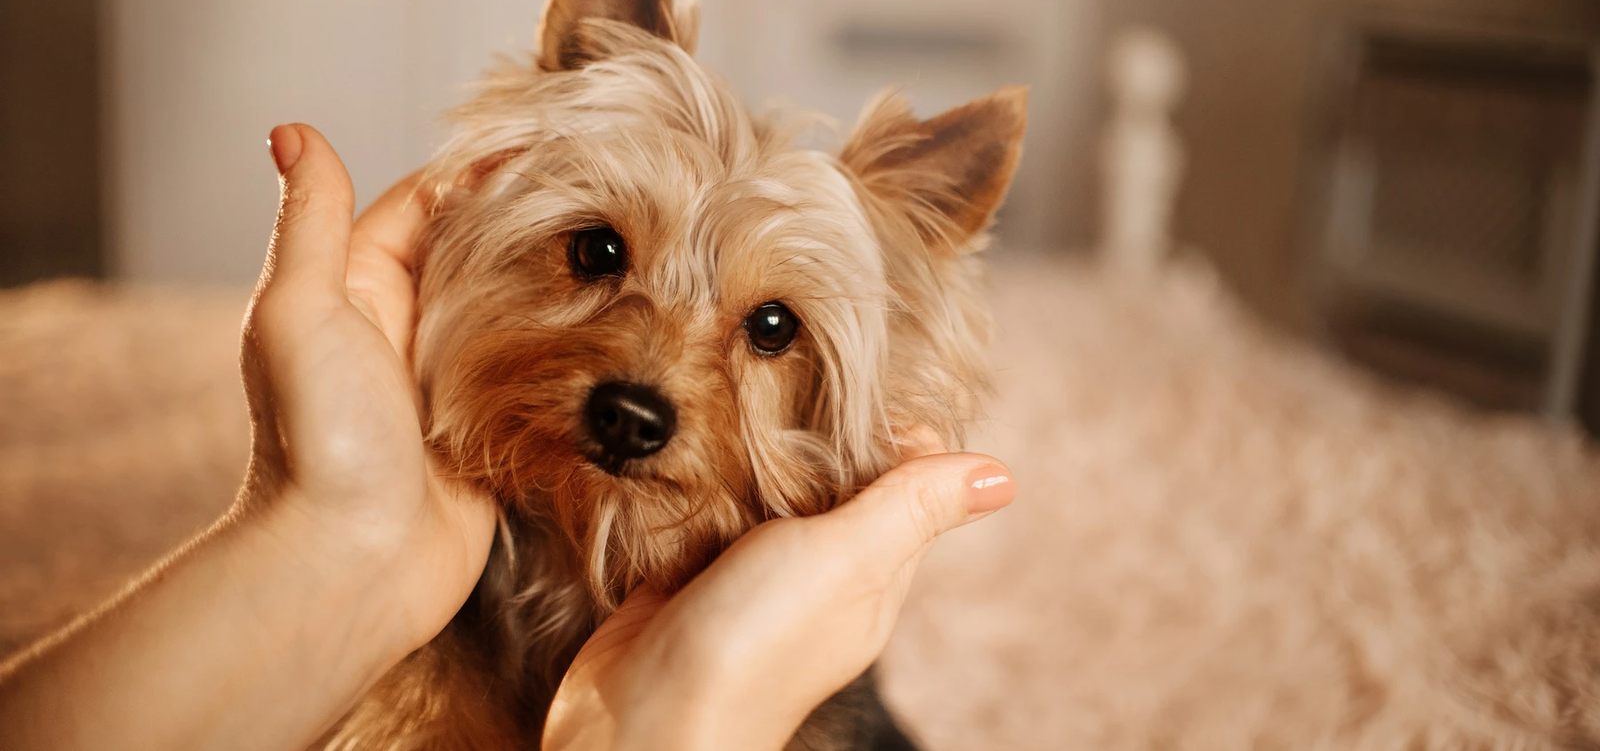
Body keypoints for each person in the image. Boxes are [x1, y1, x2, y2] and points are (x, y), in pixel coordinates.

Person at [0, 124, 1016, 750]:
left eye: (767, 329)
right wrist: (325, 531)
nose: (646, 380)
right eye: (600, 253)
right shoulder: (379, 658)